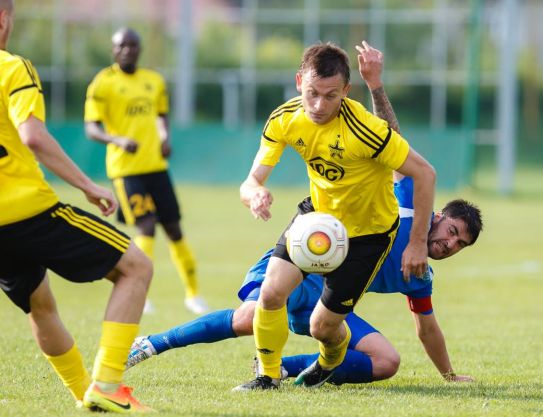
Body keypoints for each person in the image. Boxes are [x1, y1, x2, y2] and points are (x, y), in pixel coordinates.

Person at [126, 182, 483, 384]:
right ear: (436, 217)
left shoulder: (419, 275)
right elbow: (393, 139)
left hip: (328, 303)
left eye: (460, 245)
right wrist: (375, 85)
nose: (450, 244)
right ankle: (153, 343)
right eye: (452, 231)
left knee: (386, 361)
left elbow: (428, 329)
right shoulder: (405, 205)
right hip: (294, 267)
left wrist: (449, 376)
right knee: (250, 318)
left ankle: (285, 368)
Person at [234, 39, 436, 390]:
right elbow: (250, 181)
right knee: (270, 293)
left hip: (368, 234)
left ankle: (328, 362)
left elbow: (425, 173)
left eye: (330, 95)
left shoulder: (365, 130)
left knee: (322, 327)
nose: (318, 104)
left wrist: (417, 243)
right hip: (318, 218)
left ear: (346, 90)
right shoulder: (285, 119)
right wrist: (255, 194)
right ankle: (267, 376)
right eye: (312, 92)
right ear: (299, 82)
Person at [0, 0, 153, 412]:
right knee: (137, 266)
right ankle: (106, 383)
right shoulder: (12, 67)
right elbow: (32, 136)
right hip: (27, 212)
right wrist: (86, 185)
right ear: (2, 19)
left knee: (39, 303)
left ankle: (83, 394)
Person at [84, 27, 208, 315]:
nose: (127, 50)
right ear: (113, 50)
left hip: (156, 167)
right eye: (121, 45)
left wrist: (165, 137)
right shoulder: (102, 83)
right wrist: (116, 139)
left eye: (132, 45)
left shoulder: (153, 80)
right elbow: (91, 128)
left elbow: (161, 116)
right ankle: (141, 293)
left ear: (139, 49)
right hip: (126, 171)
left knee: (175, 229)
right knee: (146, 226)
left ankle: (193, 295)